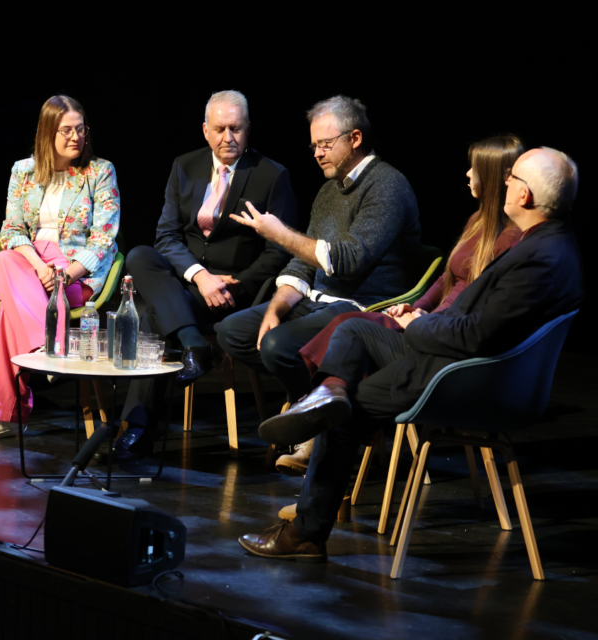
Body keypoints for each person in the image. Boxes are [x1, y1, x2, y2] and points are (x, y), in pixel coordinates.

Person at [238, 147, 582, 562]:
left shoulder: (540, 258)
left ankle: (307, 532)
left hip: (462, 375)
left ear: (525, 196)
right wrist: (419, 315)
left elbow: (476, 335)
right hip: (452, 355)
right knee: (353, 329)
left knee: (349, 411)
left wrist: (418, 324)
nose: (503, 182)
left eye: (513, 178)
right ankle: (327, 392)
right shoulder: (545, 244)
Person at [275, 135, 525, 476]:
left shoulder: (511, 239)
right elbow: (444, 281)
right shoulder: (477, 221)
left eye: (475, 168)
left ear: (495, 177)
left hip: (441, 342)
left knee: (351, 328)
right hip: (427, 324)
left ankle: (322, 419)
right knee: (349, 331)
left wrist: (424, 320)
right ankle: (325, 415)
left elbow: (476, 308)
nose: (467, 174)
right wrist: (414, 307)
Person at [103, 90, 297, 462]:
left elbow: (278, 251)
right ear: (205, 130)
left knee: (150, 315)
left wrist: (231, 283)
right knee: (142, 255)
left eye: (236, 128)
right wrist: (199, 276)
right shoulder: (185, 165)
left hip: (233, 292)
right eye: (221, 128)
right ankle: (194, 345)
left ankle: (137, 430)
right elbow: (167, 236)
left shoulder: (272, 176)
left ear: (248, 129)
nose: (229, 137)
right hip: (188, 285)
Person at [216, 95, 421, 407]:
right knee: (233, 332)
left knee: (276, 346)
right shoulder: (329, 190)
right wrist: (276, 308)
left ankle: (316, 414)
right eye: (314, 146)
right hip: (317, 303)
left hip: (358, 308)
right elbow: (303, 264)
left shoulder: (387, 185)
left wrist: (281, 234)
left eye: (325, 144)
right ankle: (315, 401)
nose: (317, 153)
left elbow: (351, 260)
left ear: (355, 139)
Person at [0, 95, 119, 440]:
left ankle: (4, 415)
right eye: (66, 131)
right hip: (33, 269)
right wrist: (39, 267)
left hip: (74, 274)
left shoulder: (100, 172)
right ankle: (51, 346)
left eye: (81, 130)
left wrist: (65, 273)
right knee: (5, 257)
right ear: (47, 133)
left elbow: (104, 239)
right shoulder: (24, 171)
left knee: (9, 311)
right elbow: (12, 230)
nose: (75, 137)